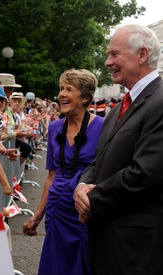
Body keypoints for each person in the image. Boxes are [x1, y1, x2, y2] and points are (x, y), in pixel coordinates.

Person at [74, 24, 163, 275]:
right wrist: (81, 186)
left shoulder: (159, 102)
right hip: (108, 240)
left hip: (135, 248)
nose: (107, 62)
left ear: (142, 55)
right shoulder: (117, 110)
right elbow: (98, 161)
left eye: (114, 54)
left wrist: (92, 199)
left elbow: (145, 173)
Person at [23, 68, 104, 275]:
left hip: (83, 210)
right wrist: (37, 216)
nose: (62, 94)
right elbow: (51, 176)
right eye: (61, 89)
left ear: (85, 97)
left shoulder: (103, 127)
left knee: (83, 264)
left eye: (69, 89)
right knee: (55, 265)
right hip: (57, 210)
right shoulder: (54, 127)